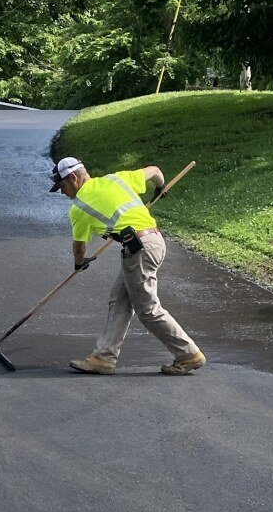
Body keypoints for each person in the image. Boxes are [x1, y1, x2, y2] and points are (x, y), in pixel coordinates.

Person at [52, 156, 206, 375]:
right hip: (152, 242)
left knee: (148, 310)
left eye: (62, 186)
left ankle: (188, 354)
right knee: (119, 300)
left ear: (73, 178)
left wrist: (79, 263)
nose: (62, 192)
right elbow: (155, 171)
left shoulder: (79, 208)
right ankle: (103, 358)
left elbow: (79, 247)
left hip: (139, 250)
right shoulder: (116, 179)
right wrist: (160, 188)